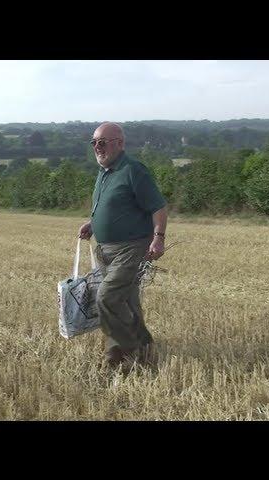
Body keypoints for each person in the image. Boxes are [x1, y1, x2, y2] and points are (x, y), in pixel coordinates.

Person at [78, 122, 168, 369]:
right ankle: (132, 352)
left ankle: (131, 352)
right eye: (94, 142)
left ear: (120, 143)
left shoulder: (133, 170)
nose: (97, 147)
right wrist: (94, 223)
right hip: (105, 249)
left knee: (107, 298)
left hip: (131, 248)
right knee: (126, 302)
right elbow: (115, 205)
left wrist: (159, 237)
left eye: (103, 142)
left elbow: (158, 206)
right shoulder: (105, 171)